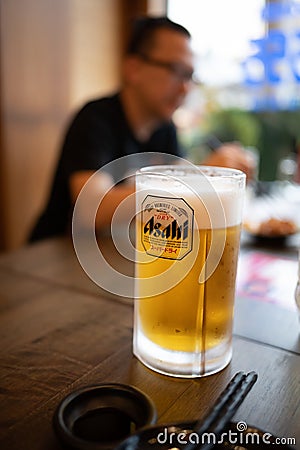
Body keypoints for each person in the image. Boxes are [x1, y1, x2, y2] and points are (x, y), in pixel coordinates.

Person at [29, 16, 255, 242]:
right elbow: (91, 210)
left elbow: (182, 199)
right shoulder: (96, 119)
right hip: (56, 256)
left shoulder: (165, 130)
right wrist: (199, 175)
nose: (186, 87)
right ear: (133, 69)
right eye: (176, 70)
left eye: (190, 76)